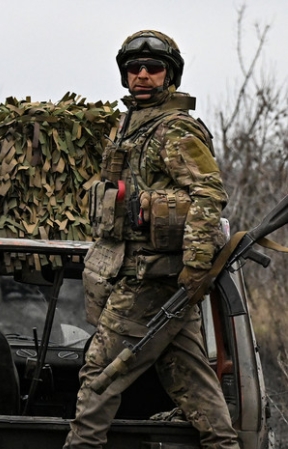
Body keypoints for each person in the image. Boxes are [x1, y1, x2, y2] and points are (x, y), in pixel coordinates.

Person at [64, 30, 239, 448]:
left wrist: (196, 266)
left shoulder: (174, 129)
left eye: (153, 68)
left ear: (169, 75)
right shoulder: (128, 126)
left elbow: (208, 193)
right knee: (191, 380)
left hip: (153, 278)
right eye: (134, 69)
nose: (142, 75)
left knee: (100, 374)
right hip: (145, 275)